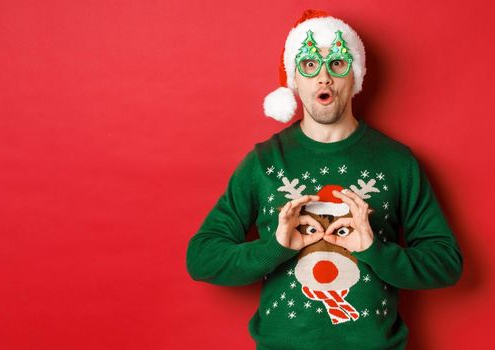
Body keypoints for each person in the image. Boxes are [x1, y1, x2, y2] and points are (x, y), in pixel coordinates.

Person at [185, 9, 463, 350]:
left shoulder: (397, 162)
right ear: (294, 79)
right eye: (309, 65)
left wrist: (375, 250)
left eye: (337, 63)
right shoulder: (263, 162)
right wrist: (276, 247)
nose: (323, 78)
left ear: (356, 76)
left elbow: (446, 263)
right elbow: (201, 258)